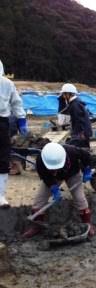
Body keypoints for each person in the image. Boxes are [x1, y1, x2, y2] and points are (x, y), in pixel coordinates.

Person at [22, 143, 95, 238]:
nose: (55, 169)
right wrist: (53, 187)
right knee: (39, 200)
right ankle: (37, 226)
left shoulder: (71, 151)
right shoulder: (40, 161)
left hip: (72, 173)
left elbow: (86, 156)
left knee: (79, 198)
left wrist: (87, 170)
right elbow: (45, 176)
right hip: (52, 178)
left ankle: (87, 223)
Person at [0, 59, 28, 209]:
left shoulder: (7, 84)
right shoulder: (7, 83)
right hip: (2, 123)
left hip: (2, 122)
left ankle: (0, 195)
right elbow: (17, 103)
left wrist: (22, 119)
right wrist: (21, 119)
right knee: (3, 158)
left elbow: (16, 102)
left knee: (3, 158)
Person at [59, 83, 92, 148]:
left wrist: (81, 134)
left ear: (69, 94)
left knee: (81, 151)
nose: (63, 96)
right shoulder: (75, 102)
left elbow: (80, 120)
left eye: (64, 94)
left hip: (81, 134)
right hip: (80, 133)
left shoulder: (75, 105)